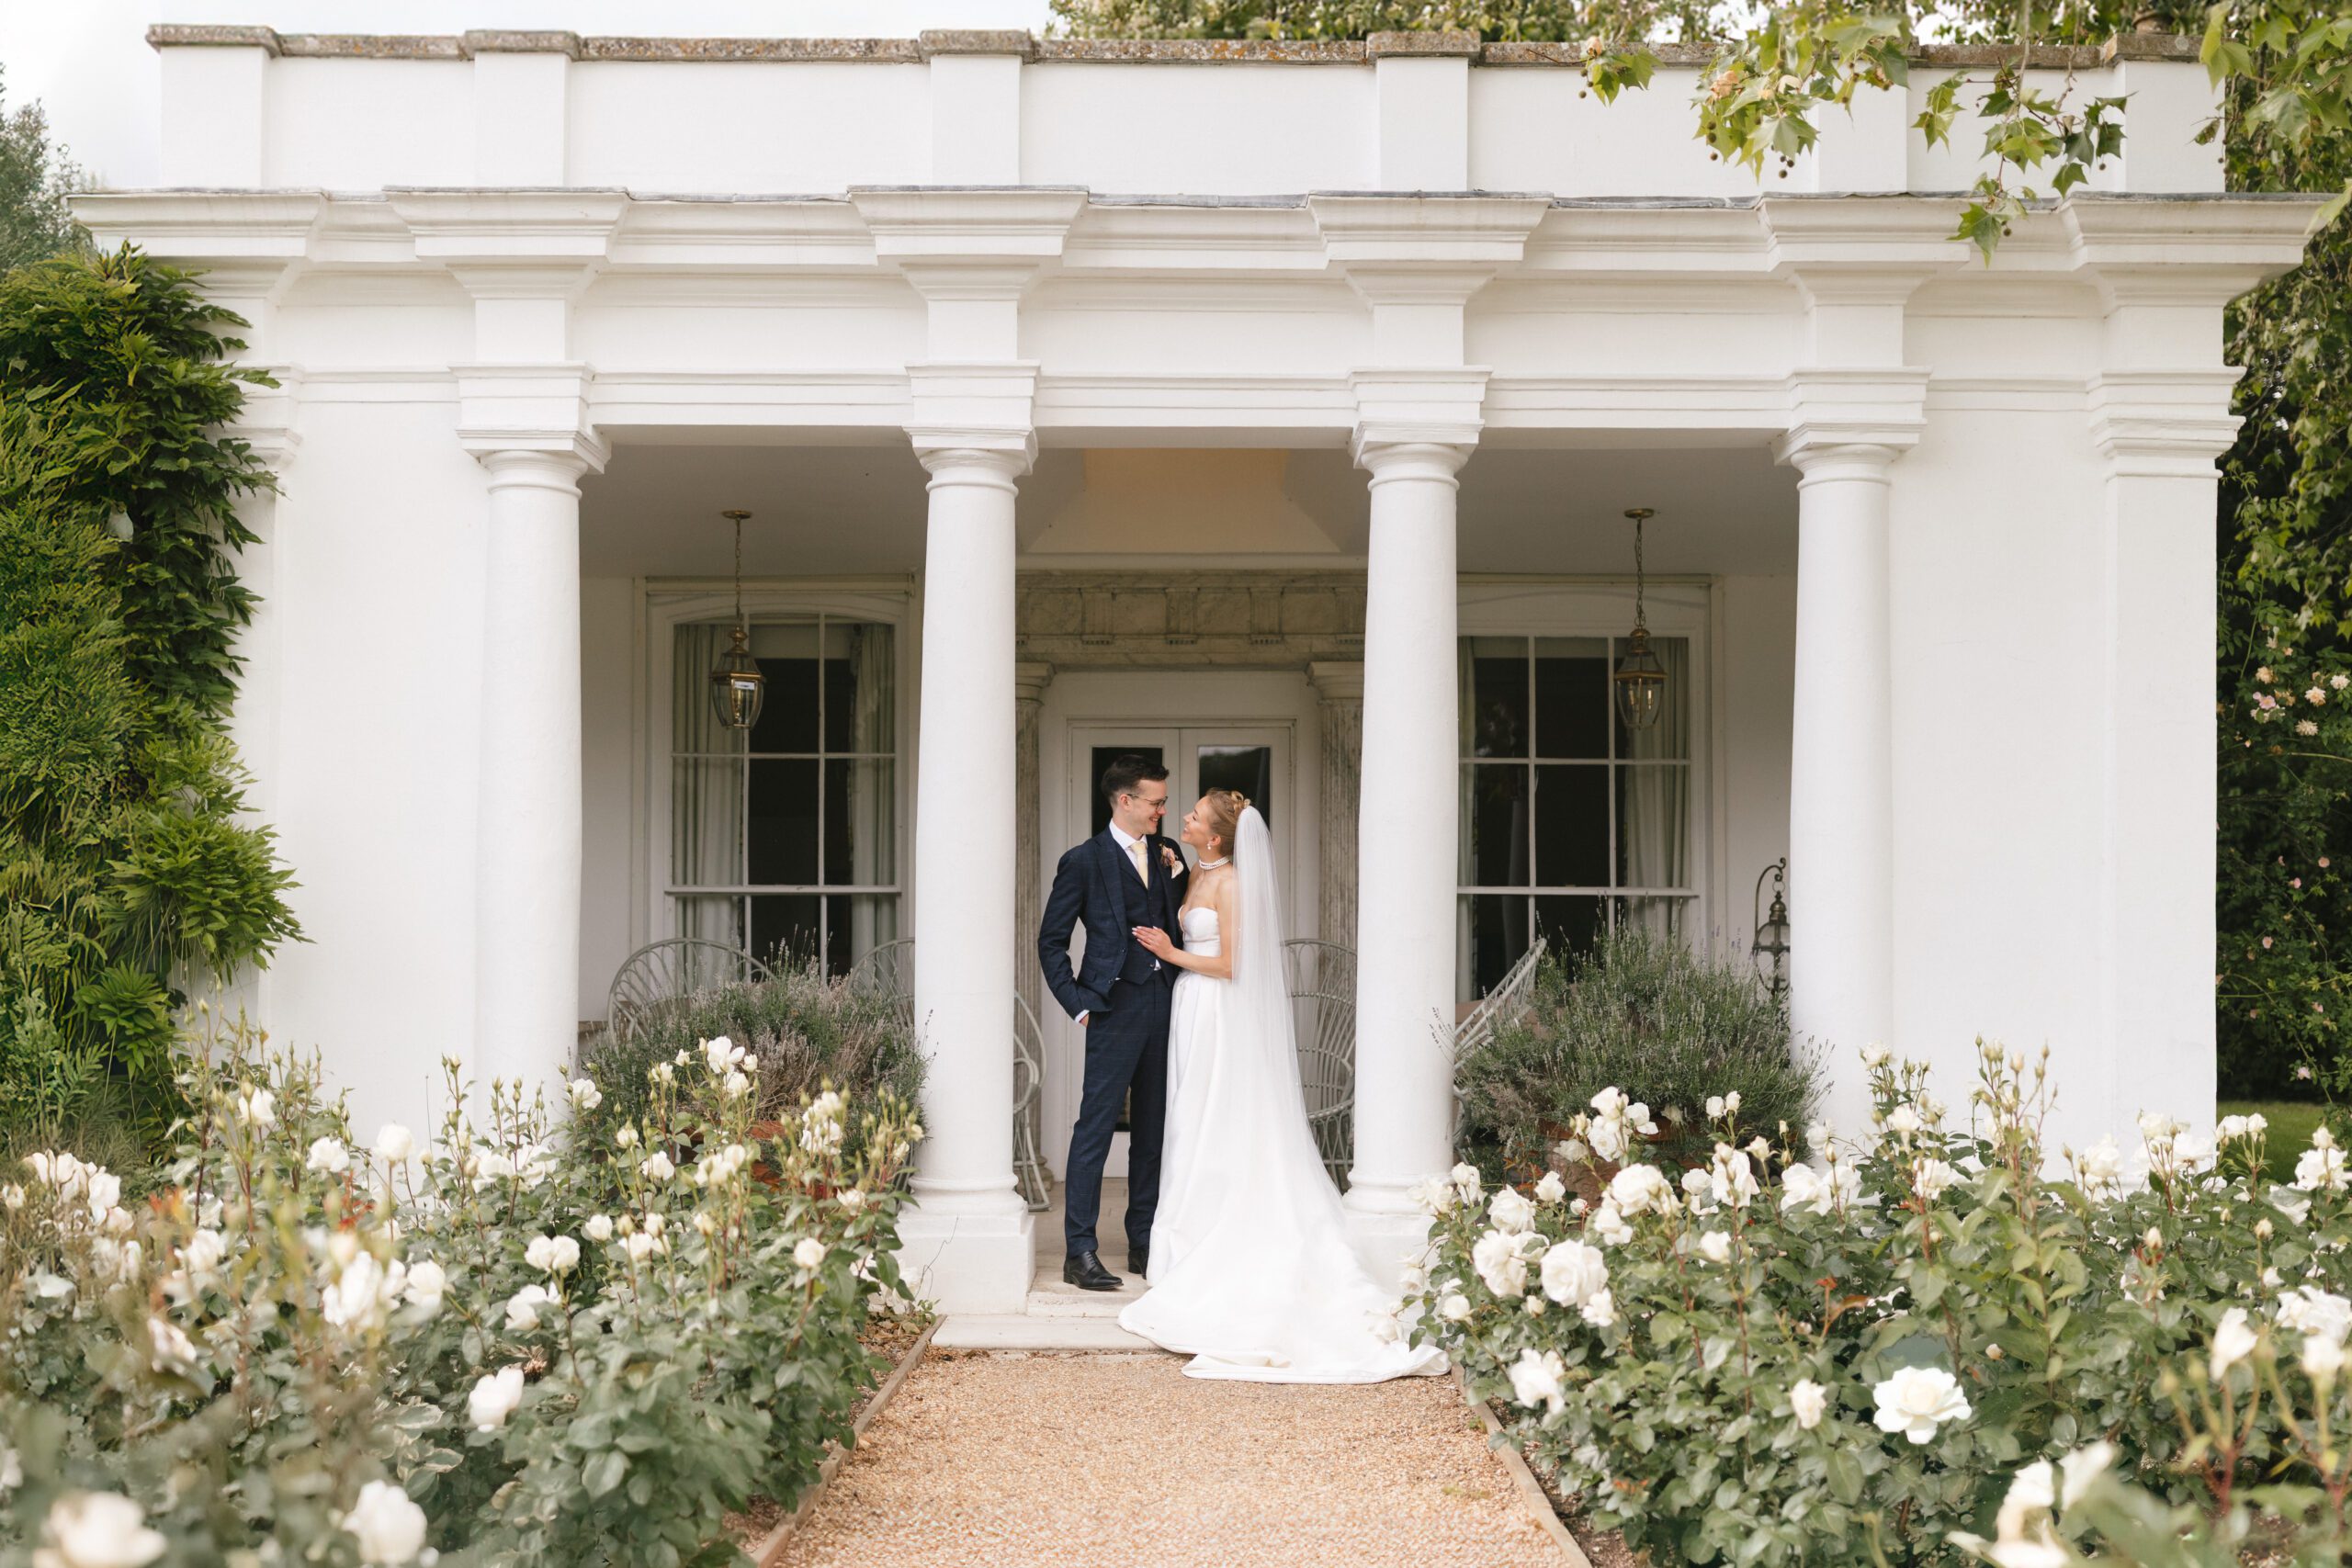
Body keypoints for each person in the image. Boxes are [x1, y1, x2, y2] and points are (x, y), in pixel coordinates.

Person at [1116, 789, 1446, 1382]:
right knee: (1188, 1118)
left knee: (1213, 1116)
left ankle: (1209, 1240)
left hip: (1217, 1007)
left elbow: (1233, 963)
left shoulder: (1232, 884)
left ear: (1215, 836)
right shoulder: (1194, 871)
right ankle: (1182, 1238)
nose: (1183, 819)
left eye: (1193, 815)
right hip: (1192, 1011)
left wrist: (1171, 952)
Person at [1036, 754, 1188, 1292]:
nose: (1162, 811)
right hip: (1112, 1007)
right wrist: (1078, 1002)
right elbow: (1051, 942)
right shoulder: (1082, 860)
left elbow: (1177, 925)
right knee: (1096, 1129)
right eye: (1156, 801)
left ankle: (1143, 1242)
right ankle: (1080, 1251)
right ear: (1125, 800)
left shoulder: (1167, 858)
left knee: (1153, 1129)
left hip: (1165, 1004)